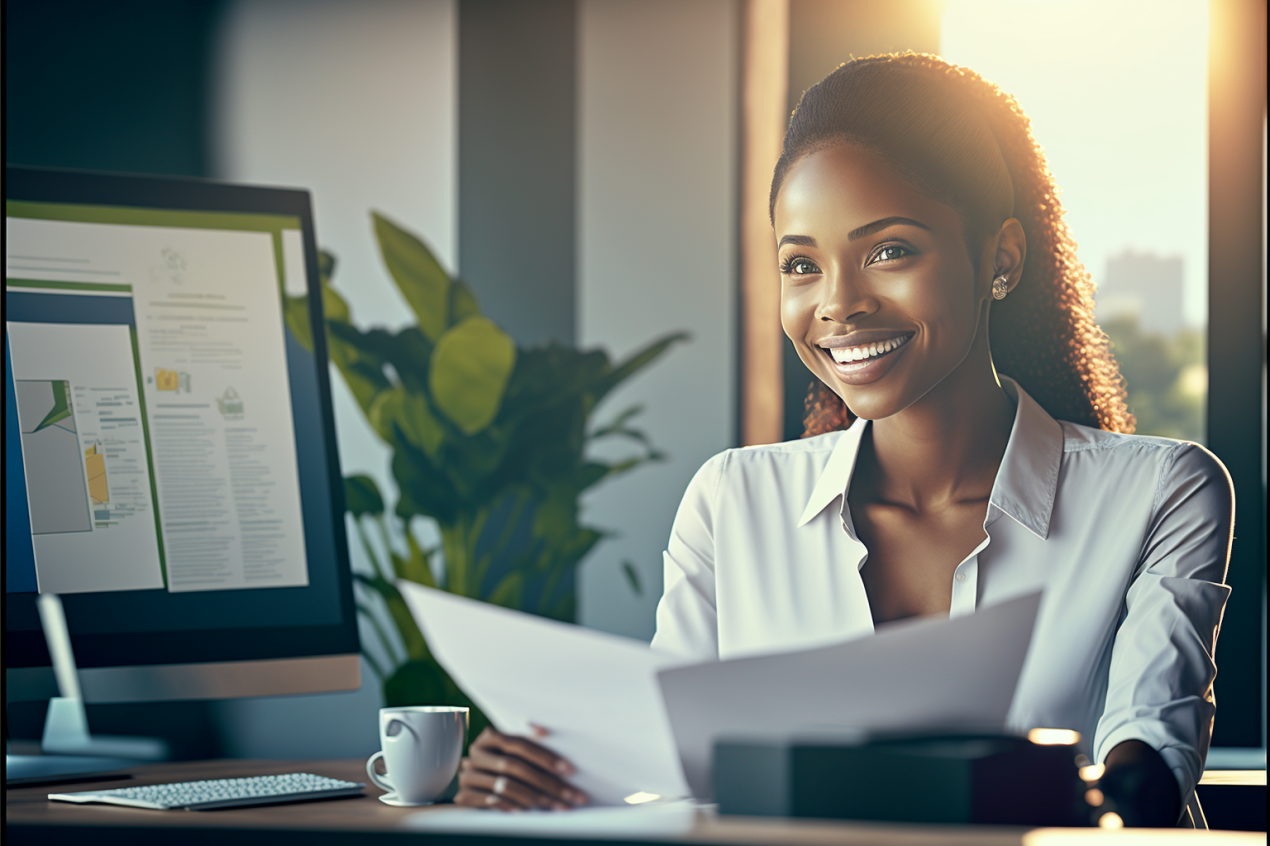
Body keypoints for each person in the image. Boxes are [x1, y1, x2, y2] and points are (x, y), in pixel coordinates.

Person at [454, 53, 1234, 828]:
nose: (838, 305)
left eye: (889, 250)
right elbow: (674, 775)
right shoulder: (732, 502)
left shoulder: (1161, 492)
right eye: (802, 264)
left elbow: (1151, 757)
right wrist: (547, 775)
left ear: (1001, 256)